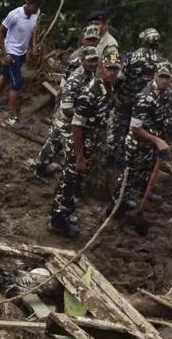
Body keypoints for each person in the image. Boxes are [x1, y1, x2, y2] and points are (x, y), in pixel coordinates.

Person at [50, 53, 120, 238]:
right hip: (79, 145)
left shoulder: (108, 89)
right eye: (109, 68)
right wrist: (80, 156)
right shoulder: (91, 91)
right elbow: (76, 124)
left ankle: (65, 212)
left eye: (116, 69)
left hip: (91, 145)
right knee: (69, 181)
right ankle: (58, 220)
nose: (113, 72)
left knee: (75, 182)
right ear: (101, 68)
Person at [118, 60, 172, 218]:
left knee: (143, 176)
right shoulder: (145, 97)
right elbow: (135, 127)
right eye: (161, 76)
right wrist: (157, 140)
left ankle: (135, 202)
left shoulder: (168, 94)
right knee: (128, 178)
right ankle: (117, 207)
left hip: (151, 147)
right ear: (155, 76)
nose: (164, 80)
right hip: (137, 145)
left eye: (167, 77)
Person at [34, 42, 99, 178]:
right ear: (82, 61)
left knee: (55, 145)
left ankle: (43, 166)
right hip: (65, 120)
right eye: (90, 60)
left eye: (95, 60)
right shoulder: (76, 79)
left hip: (74, 119)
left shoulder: (91, 75)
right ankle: (40, 168)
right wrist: (83, 115)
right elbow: (67, 107)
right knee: (54, 145)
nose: (94, 63)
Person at [111, 27, 163, 165]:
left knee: (119, 131)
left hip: (126, 100)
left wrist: (115, 92)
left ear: (144, 41)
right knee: (137, 132)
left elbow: (121, 77)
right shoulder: (161, 61)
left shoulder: (132, 57)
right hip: (145, 104)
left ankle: (115, 159)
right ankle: (131, 162)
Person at [0, 0, 43, 123]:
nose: (35, 11)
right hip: (11, 53)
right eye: (34, 7)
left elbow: (31, 31)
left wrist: (31, 48)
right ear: (29, 4)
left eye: (37, 8)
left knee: (5, 75)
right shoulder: (15, 14)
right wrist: (5, 54)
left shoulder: (36, 14)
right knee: (16, 84)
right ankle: (11, 116)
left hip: (21, 53)